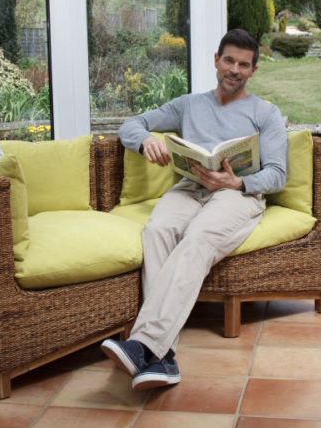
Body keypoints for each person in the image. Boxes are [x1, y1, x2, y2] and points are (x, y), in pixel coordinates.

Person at [101, 28, 287, 391]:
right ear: (215, 61)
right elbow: (130, 125)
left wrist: (237, 183)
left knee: (198, 237)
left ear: (253, 71)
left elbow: (277, 174)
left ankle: (143, 346)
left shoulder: (266, 113)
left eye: (244, 65)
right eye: (229, 60)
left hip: (238, 194)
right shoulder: (188, 104)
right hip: (190, 187)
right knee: (157, 231)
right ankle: (162, 356)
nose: (234, 69)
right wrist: (146, 141)